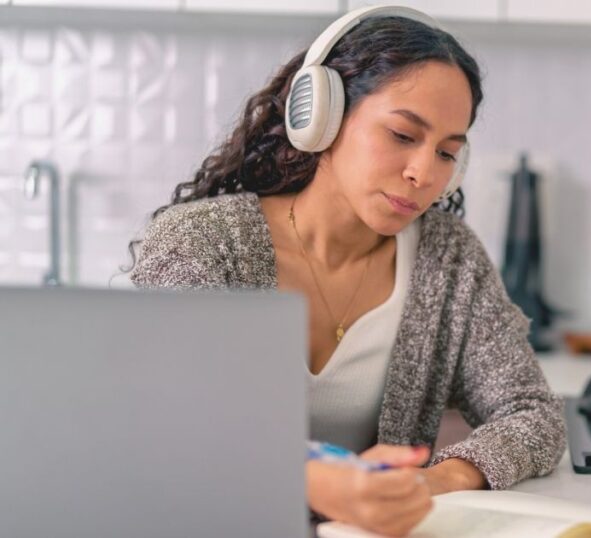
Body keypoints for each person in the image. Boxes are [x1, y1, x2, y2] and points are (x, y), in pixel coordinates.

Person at [127, 5, 566, 536]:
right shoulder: (202, 243)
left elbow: (533, 414)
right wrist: (313, 482)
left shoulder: (449, 259)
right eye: (403, 136)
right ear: (322, 118)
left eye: (448, 152)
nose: (423, 173)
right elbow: (165, 425)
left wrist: (442, 478)